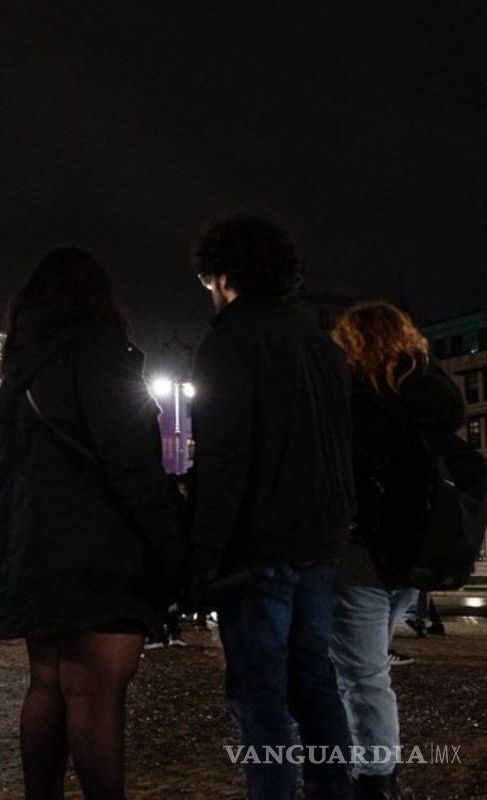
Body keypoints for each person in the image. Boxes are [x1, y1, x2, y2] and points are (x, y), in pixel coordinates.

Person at [0, 247, 183, 800]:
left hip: (34, 553)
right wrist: (171, 553)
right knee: (97, 696)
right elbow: (132, 465)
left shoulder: (21, 367)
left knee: (47, 685)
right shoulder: (97, 351)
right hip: (100, 555)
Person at [184, 213, 355, 800]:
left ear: (224, 276)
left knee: (260, 693)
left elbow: (224, 460)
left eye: (208, 280)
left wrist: (201, 560)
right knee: (316, 683)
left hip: (258, 550)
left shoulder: (228, 342)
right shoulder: (321, 346)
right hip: (320, 541)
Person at [327, 302, 467, 798]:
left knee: (361, 674)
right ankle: (371, 766)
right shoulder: (435, 395)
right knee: (367, 665)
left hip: (364, 546)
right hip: (417, 551)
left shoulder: (357, 396)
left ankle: (374, 776)